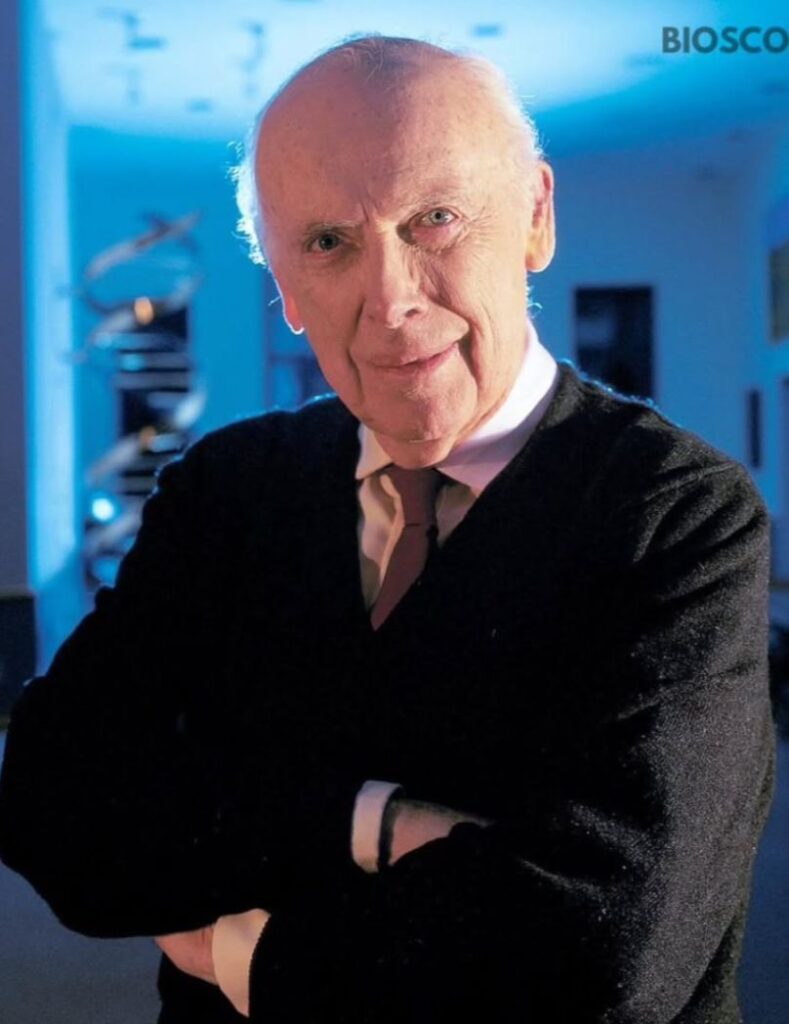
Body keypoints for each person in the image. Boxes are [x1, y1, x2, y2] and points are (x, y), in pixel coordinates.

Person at [0, 34, 775, 1024]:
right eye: (328, 243)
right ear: (284, 286)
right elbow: (49, 805)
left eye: (434, 219)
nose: (392, 300)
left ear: (536, 217)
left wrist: (244, 951)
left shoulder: (678, 515)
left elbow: (603, 957)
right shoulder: (228, 492)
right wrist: (371, 821)